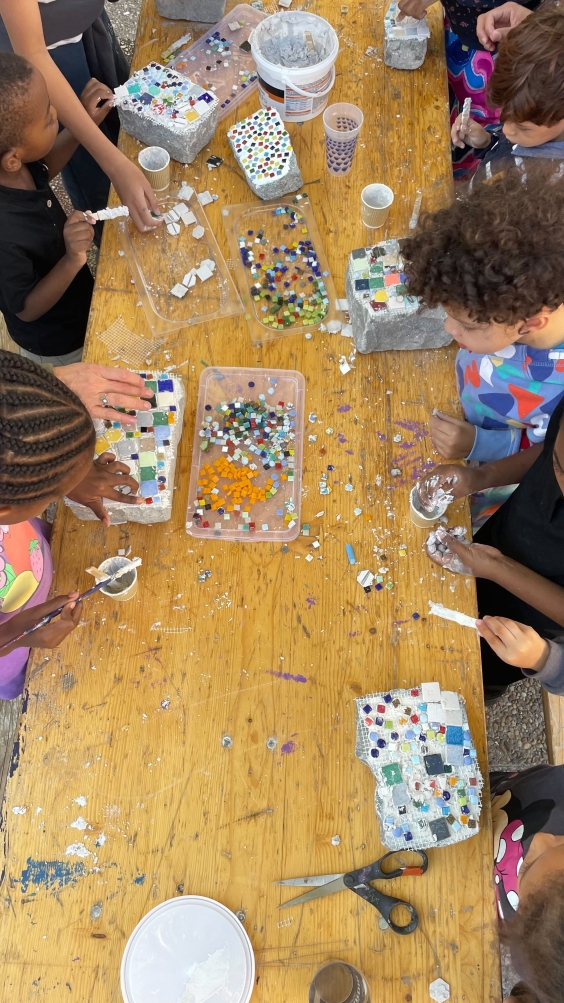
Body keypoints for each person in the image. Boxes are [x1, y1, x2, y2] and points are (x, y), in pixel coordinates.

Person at [401, 164, 564, 524]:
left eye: (466, 325)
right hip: (472, 410)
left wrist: (478, 446)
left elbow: (548, 454)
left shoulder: (557, 383)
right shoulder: (510, 302)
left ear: (531, 323)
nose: (448, 328)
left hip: (498, 473)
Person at [0, 350, 142, 699]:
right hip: (12, 649)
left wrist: (62, 470)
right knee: (21, 682)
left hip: (29, 562)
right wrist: (18, 633)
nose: (60, 495)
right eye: (53, 494)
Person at [418, 391, 564, 701]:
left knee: (454, 675)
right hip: (498, 544)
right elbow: (546, 450)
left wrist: (544, 659)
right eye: (560, 467)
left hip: (520, 624)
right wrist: (479, 476)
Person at [0, 0, 160, 231]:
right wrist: (115, 165)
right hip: (51, 61)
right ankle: (103, 232)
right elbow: (33, 52)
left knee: (122, 129)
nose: (52, 114)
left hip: (84, 28)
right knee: (92, 167)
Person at [0, 52, 106, 365]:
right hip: (58, 343)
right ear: (12, 159)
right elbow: (27, 308)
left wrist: (80, 127)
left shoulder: (18, 168)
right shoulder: (4, 236)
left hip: (79, 304)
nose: (56, 113)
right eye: (48, 118)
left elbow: (44, 168)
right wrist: (73, 260)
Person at [452, 7, 564, 174]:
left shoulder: (542, 182)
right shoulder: (537, 127)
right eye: (505, 116)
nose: (506, 130)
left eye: (523, 128)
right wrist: (487, 142)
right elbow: (508, 145)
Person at [488, 762, 564, 1003]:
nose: (540, 840)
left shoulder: (539, 960)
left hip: (478, 881)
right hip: (501, 794)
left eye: (528, 866)